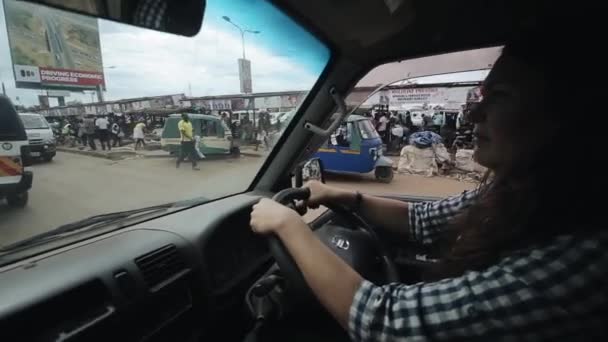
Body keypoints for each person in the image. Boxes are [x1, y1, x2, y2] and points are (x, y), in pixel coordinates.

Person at [250, 21, 607, 340]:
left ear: (566, 119)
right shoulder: (520, 193)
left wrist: (289, 225)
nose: (473, 114)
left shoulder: (583, 260)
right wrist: (341, 196)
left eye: (498, 98)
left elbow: (387, 322)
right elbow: (422, 218)